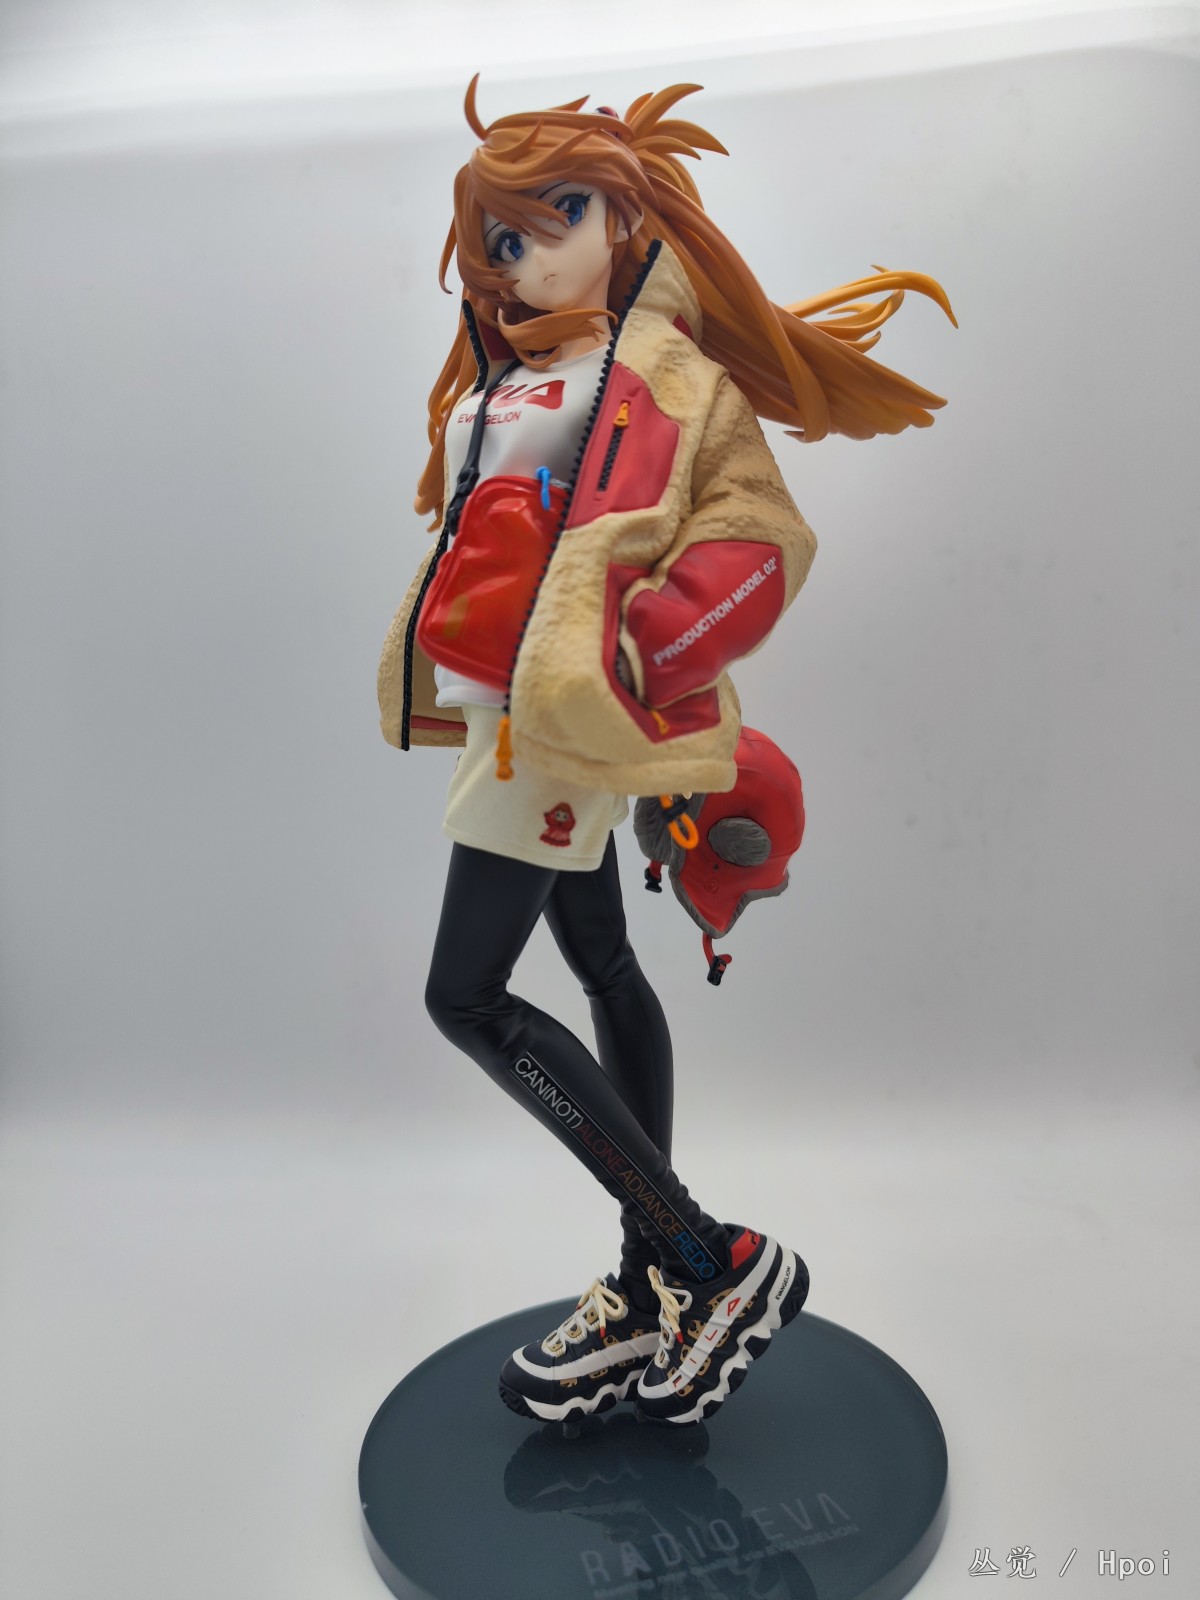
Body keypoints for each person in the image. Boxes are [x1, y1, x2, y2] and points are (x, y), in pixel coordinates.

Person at [378, 78, 954, 1426]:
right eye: (503, 238)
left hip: (558, 725)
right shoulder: (510, 372)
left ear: (627, 214)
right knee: (602, 966)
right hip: (508, 714)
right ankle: (652, 1286)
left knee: (466, 998)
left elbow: (762, 530)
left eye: (560, 213)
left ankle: (710, 1260)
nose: (528, 255)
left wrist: (650, 646)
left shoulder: (670, 376)